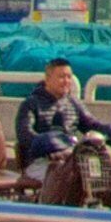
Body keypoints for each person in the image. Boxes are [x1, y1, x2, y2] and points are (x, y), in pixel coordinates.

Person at [17, 60, 91, 205]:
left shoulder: (73, 103)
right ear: (48, 79)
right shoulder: (31, 104)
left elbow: (92, 124)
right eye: (61, 77)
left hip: (71, 159)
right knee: (67, 177)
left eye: (69, 77)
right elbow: (25, 135)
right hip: (41, 161)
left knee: (96, 172)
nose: (66, 81)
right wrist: (53, 145)